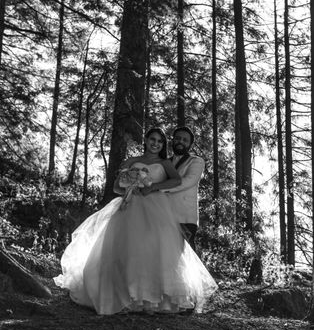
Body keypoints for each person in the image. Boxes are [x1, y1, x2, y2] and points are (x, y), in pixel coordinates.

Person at [54, 127, 217, 316]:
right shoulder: (131, 161)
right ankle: (125, 294)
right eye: (152, 140)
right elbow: (116, 187)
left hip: (157, 208)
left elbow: (176, 181)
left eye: (159, 141)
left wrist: (152, 187)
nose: (155, 144)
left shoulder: (167, 163)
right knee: (127, 248)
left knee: (156, 250)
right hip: (130, 207)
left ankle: (154, 298)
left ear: (163, 145)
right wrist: (132, 187)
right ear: (146, 141)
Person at [164, 126, 205, 252]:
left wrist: (159, 189)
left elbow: (188, 181)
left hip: (185, 218)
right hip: (163, 215)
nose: (180, 141)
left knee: (185, 259)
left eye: (185, 140)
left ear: (190, 145)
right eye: (178, 138)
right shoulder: (164, 162)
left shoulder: (196, 161)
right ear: (173, 140)